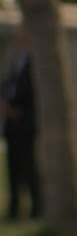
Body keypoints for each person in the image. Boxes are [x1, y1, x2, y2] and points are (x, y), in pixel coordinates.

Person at [2, 34, 39, 222]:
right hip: (12, 125)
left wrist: (17, 108)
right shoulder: (17, 61)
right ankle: (14, 208)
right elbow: (8, 86)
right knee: (13, 168)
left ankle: (37, 208)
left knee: (29, 167)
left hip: (25, 123)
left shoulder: (35, 64)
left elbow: (31, 92)